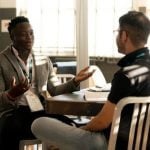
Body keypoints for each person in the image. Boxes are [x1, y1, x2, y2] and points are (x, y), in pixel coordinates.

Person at [31, 11, 150, 150]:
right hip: (143, 143)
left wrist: (81, 131)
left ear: (124, 35)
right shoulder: (143, 67)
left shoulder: (125, 75)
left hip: (110, 144)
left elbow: (102, 122)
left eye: (117, 32)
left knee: (38, 124)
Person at [0, 16, 95, 150]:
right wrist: (11, 94)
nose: (29, 37)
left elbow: (55, 90)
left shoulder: (43, 60)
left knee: (69, 124)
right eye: (23, 34)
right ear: (12, 36)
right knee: (11, 130)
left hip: (39, 109)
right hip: (14, 112)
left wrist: (74, 81)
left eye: (31, 33)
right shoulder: (2, 60)